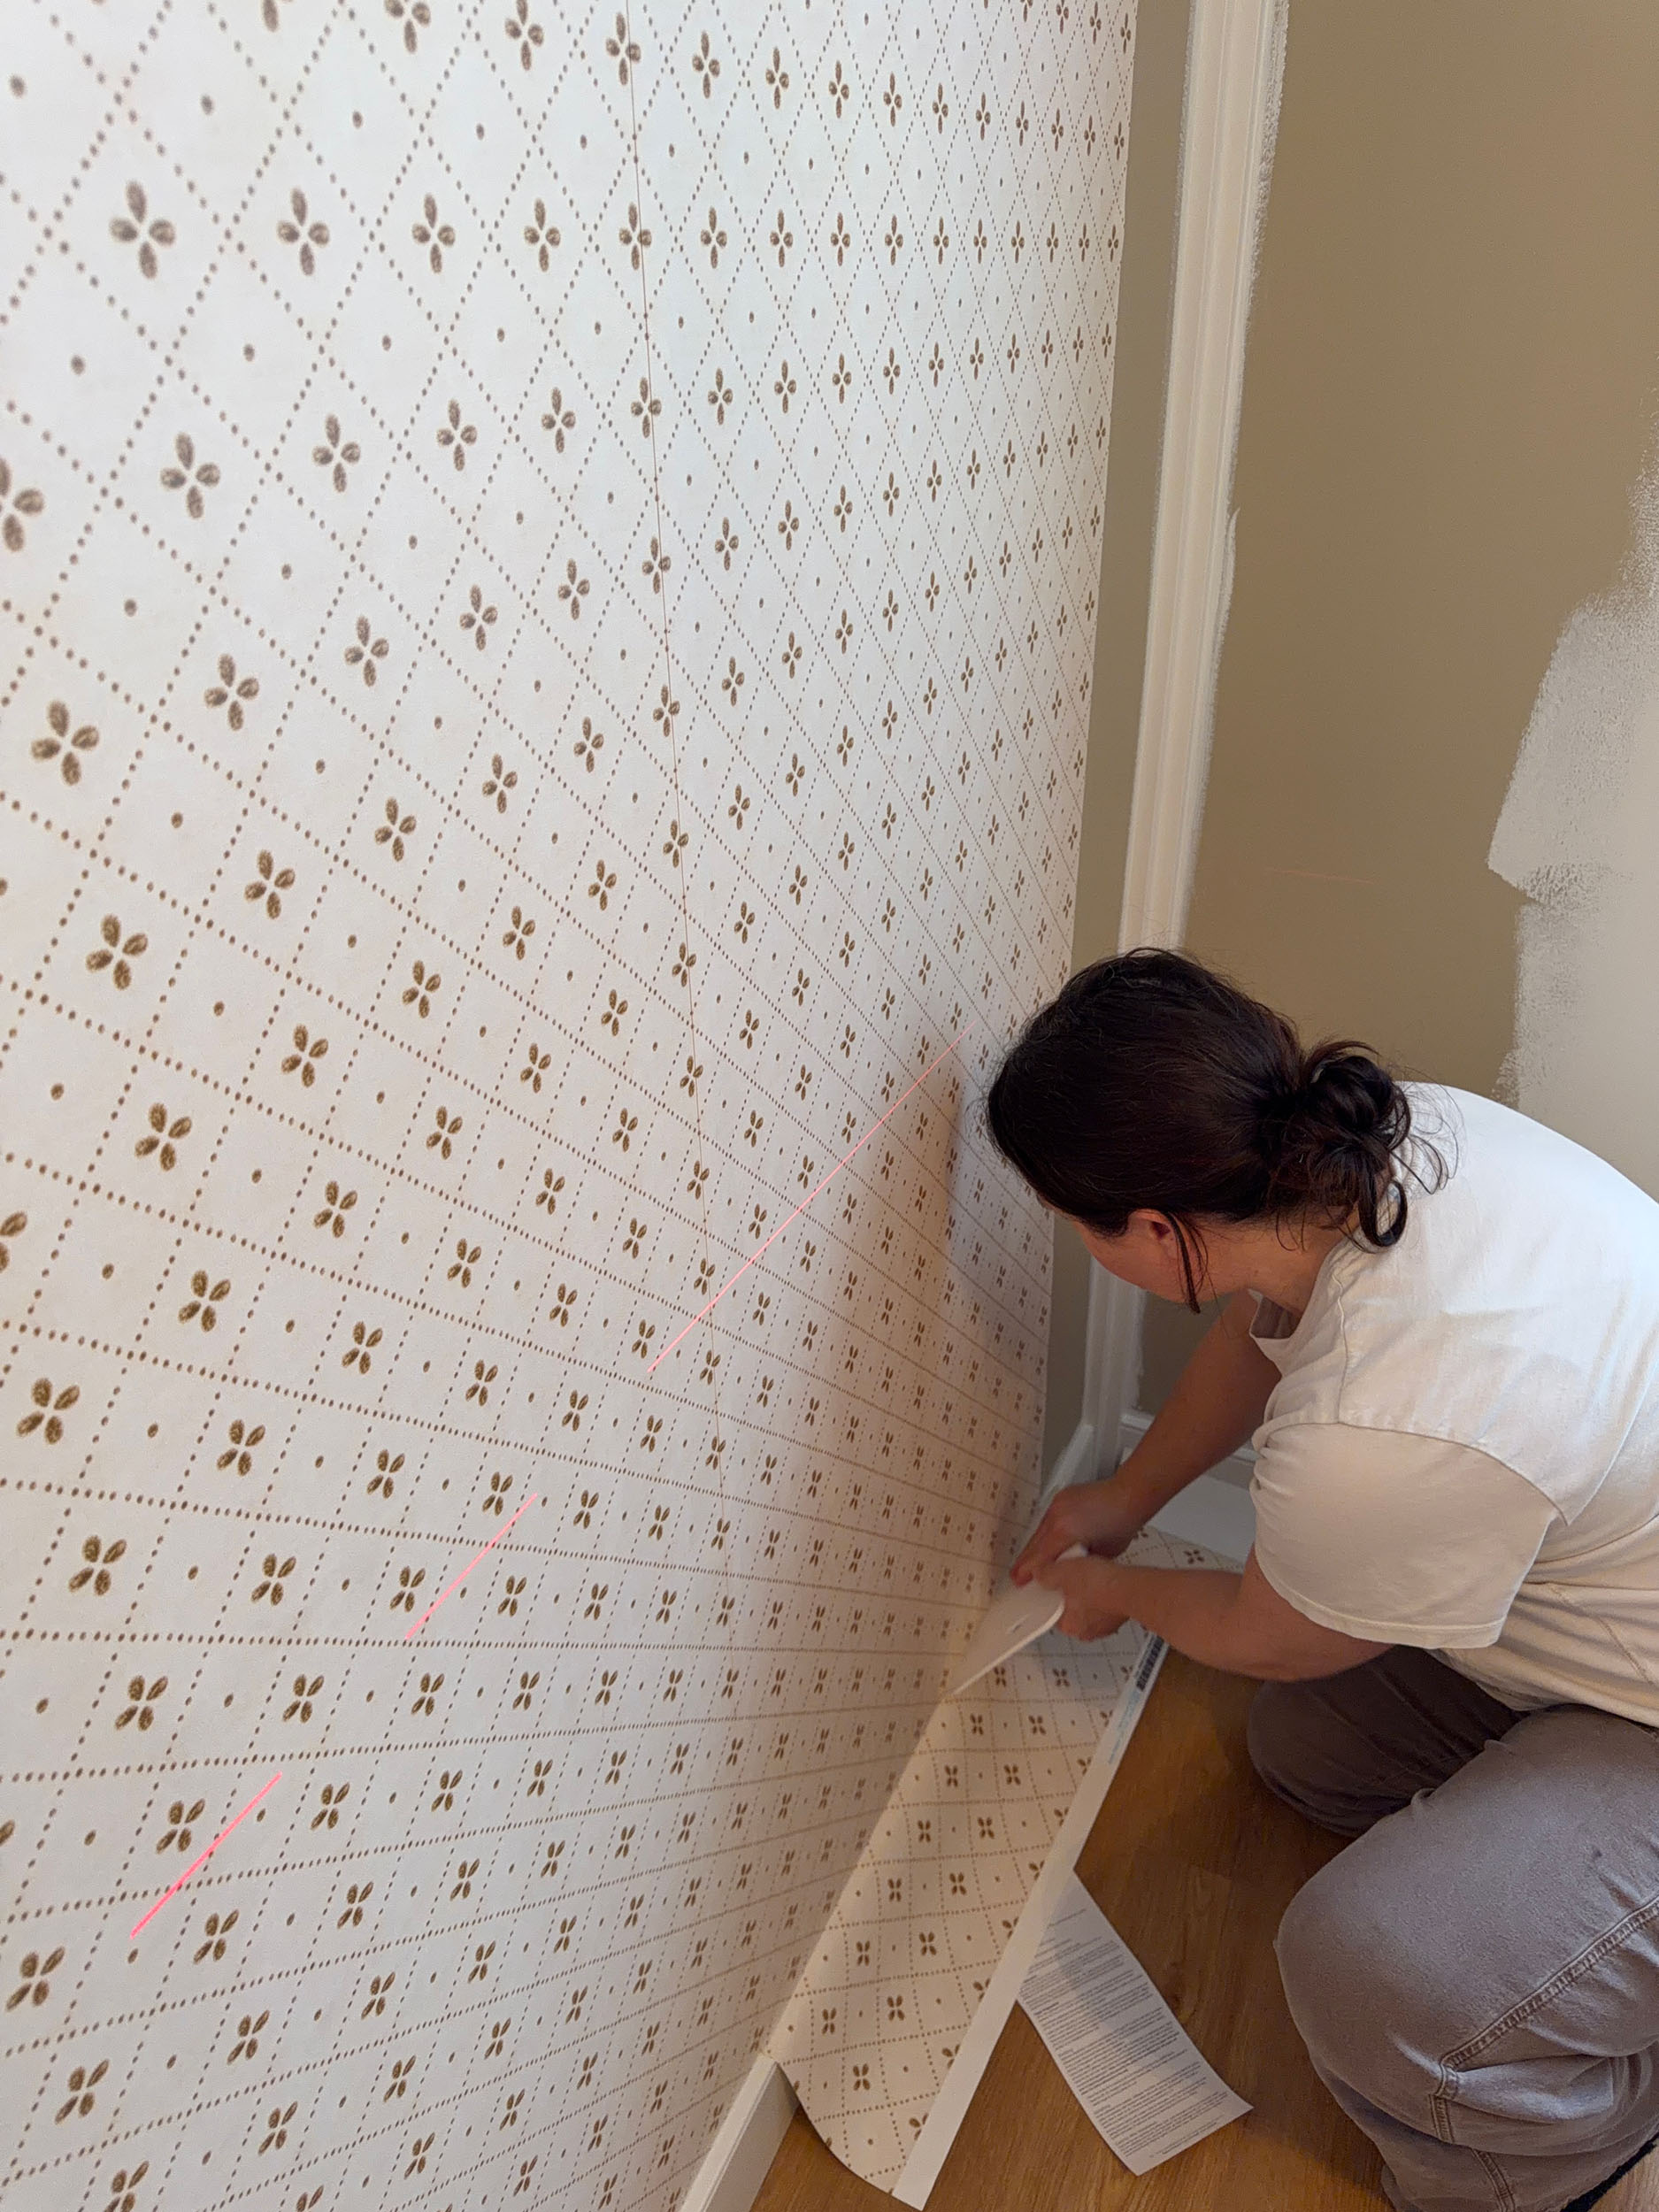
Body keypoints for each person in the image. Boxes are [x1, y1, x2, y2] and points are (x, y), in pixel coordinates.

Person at [987, 948, 1659, 2212]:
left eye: (1075, 1227)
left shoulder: (1383, 1437)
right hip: (1604, 1622)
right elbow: (1261, 1334)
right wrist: (1129, 1497)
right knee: (1311, 1753)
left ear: (1150, 1228)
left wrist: (1114, 1592)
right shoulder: (1387, 1141)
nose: (1082, 1252)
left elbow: (1272, 1632)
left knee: (1371, 1971)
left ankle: (1580, 2156)